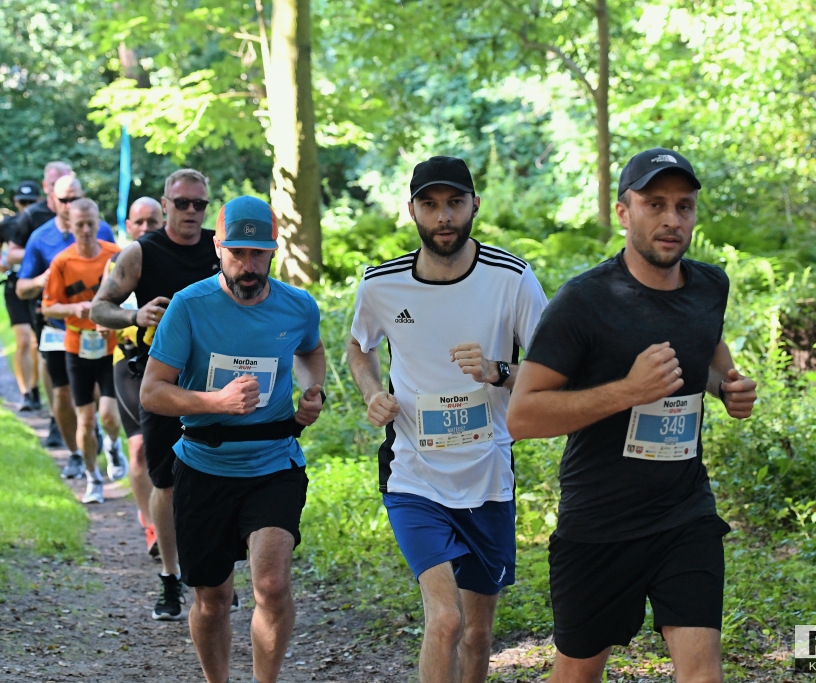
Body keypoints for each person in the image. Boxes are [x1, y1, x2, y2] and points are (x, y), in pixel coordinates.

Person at [506, 148, 759, 683]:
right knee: (577, 674)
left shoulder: (710, 286)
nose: (672, 220)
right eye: (655, 204)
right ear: (624, 212)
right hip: (600, 523)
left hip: (684, 513)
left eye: (684, 206)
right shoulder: (583, 301)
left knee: (703, 673)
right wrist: (628, 391)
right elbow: (522, 415)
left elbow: (707, 351)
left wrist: (726, 388)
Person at [347, 156, 548, 683]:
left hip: (487, 475)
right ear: (411, 210)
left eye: (455, 203)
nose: (443, 217)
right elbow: (359, 346)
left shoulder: (512, 278)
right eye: (430, 204)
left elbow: (555, 369)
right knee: (445, 619)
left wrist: (499, 370)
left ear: (474, 205)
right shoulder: (382, 285)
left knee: (478, 634)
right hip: (413, 475)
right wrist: (372, 392)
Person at [140, 195, 325, 683]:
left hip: (274, 463)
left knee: (271, 585)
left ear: (273, 251)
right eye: (237, 253)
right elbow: (152, 392)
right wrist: (215, 402)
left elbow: (311, 351)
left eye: (258, 253)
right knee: (213, 598)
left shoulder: (298, 306)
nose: (248, 265)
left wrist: (313, 391)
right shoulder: (190, 306)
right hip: (205, 465)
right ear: (218, 248)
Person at [91, 169, 220, 620]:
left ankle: (215, 575)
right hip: (159, 380)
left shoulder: (220, 248)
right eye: (181, 203)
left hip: (215, 380)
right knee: (164, 480)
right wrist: (136, 314)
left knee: (218, 480)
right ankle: (170, 577)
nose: (190, 211)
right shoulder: (141, 252)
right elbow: (99, 308)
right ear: (165, 205)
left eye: (199, 204)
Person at [17, 174, 120, 478]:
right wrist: (44, 280)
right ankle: (75, 453)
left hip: (98, 330)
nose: (69, 204)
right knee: (62, 395)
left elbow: (120, 280)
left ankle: (98, 437)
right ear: (52, 200)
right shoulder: (41, 238)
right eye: (64, 200)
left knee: (99, 398)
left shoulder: (103, 233)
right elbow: (22, 288)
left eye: (75, 199)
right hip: (57, 327)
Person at [41, 199, 124, 504]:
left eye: (91, 224)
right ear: (69, 225)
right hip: (77, 347)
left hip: (110, 345)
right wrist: (73, 309)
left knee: (109, 416)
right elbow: (47, 306)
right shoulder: (62, 262)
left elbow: (130, 298)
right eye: (79, 225)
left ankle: (113, 445)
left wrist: (111, 319)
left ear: (99, 222)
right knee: (86, 420)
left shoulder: (115, 255)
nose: (86, 230)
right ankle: (93, 479)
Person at [108, 197, 165, 556]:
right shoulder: (120, 261)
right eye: (139, 222)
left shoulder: (174, 260)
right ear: (128, 226)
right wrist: (131, 321)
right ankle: (152, 525)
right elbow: (103, 312)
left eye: (152, 222)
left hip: (173, 364)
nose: (145, 228)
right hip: (129, 361)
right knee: (139, 446)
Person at [8, 162, 74, 444]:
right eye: (58, 189)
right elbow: (11, 254)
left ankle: (86, 422)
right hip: (41, 300)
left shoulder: (88, 218)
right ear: (48, 189)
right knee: (43, 354)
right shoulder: (33, 218)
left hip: (81, 306)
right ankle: (52, 415)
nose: (68, 201)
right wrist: (47, 267)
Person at [1, 180, 43, 411]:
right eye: (22, 202)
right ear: (16, 202)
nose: (26, 206)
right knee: (24, 341)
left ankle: (35, 388)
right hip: (14, 285)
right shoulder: (8, 224)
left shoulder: (42, 222)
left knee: (37, 342)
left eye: (30, 202)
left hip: (37, 286)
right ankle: (25, 391)